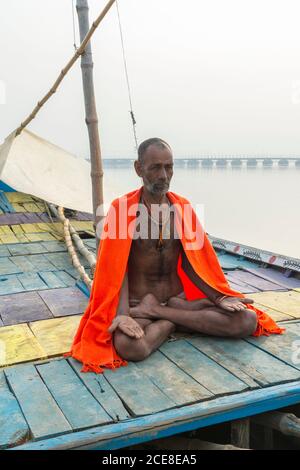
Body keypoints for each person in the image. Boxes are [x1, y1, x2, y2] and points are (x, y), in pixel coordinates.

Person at [67, 137, 284, 374]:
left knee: (247, 320)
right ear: (139, 169)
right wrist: (122, 315)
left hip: (177, 301)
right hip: (137, 305)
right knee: (130, 346)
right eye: (155, 168)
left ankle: (162, 315)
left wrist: (218, 298)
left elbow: (196, 264)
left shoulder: (183, 208)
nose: (164, 175)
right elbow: (116, 270)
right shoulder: (121, 210)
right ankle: (174, 322)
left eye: (168, 167)